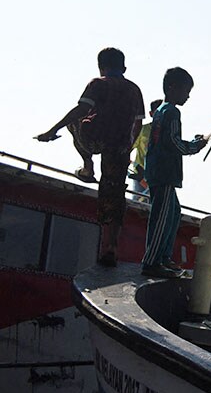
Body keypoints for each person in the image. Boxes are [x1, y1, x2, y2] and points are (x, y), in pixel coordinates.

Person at [36, 47, 145, 266]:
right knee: (114, 193)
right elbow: (138, 123)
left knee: (74, 122)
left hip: (95, 140)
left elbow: (80, 109)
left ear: (101, 67)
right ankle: (111, 247)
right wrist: (128, 147)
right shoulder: (134, 89)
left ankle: (88, 165)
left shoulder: (98, 84)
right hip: (119, 147)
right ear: (124, 68)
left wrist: (52, 130)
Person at [141, 68, 207, 278]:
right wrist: (194, 146)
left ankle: (163, 257)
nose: (187, 96)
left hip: (159, 171)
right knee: (162, 218)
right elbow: (172, 142)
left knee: (173, 213)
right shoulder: (171, 112)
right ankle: (152, 261)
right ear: (172, 88)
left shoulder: (161, 110)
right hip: (164, 173)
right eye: (186, 91)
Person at [130, 99, 163, 200]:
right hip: (141, 173)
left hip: (159, 177)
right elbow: (126, 150)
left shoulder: (169, 133)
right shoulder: (142, 130)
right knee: (137, 203)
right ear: (151, 114)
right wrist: (136, 169)